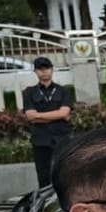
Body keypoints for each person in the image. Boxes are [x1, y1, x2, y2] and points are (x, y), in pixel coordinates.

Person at [23, 55, 74, 188]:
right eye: (40, 68)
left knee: (64, 173)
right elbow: (30, 116)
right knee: (43, 175)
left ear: (52, 70)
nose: (44, 71)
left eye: (46, 68)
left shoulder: (63, 91)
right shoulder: (30, 92)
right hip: (40, 140)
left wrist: (39, 116)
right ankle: (45, 204)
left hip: (61, 138)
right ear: (35, 71)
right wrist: (58, 115)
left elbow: (65, 112)